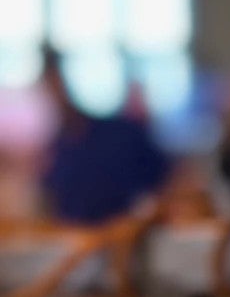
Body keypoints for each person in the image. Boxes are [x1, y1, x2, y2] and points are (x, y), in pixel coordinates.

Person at [38, 51, 173, 225]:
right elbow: (52, 207)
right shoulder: (56, 150)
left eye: (58, 83)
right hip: (79, 241)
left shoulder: (122, 134)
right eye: (50, 86)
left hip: (127, 238)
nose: (56, 93)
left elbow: (168, 178)